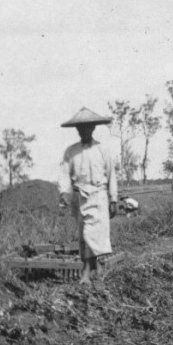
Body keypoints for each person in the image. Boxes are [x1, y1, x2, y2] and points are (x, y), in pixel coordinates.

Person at [57, 108, 118, 283]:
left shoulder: (102, 150)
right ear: (77, 130)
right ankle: (94, 267)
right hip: (80, 197)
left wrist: (113, 199)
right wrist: (64, 193)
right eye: (81, 128)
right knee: (85, 235)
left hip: (99, 196)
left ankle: (86, 272)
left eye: (87, 128)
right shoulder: (71, 152)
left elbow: (111, 175)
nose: (84, 131)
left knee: (94, 234)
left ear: (93, 129)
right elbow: (64, 174)